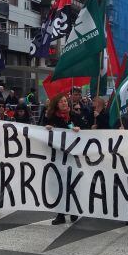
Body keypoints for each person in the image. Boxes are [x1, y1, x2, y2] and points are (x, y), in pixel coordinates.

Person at [44, 92, 82, 225]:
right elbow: (39, 132)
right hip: (58, 156)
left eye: (65, 101)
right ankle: (60, 214)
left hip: (72, 156)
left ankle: (73, 210)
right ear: (56, 104)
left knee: (72, 183)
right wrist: (46, 129)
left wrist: (79, 129)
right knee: (58, 184)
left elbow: (86, 132)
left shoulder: (75, 116)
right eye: (61, 101)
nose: (64, 103)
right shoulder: (50, 117)